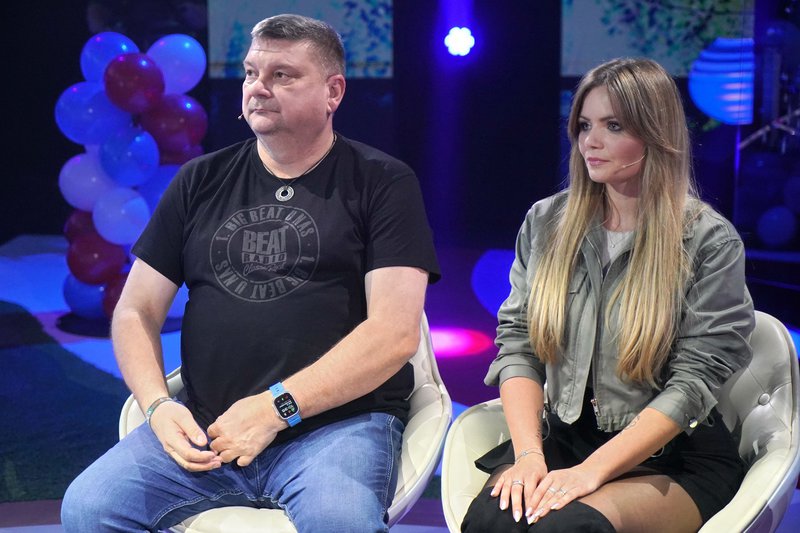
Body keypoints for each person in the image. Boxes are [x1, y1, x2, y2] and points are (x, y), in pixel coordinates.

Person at [61, 13, 440, 533]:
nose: (258, 88)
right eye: (250, 73)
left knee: (340, 521)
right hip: (208, 427)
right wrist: (157, 406)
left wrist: (274, 409)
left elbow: (394, 334)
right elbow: (135, 310)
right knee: (89, 509)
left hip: (337, 426)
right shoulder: (200, 179)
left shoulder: (382, 182)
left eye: (282, 75)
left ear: (333, 92)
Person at [460, 57, 754, 532]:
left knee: (567, 526)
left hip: (671, 456)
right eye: (584, 125)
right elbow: (519, 345)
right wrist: (529, 455)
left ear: (655, 134)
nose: (590, 142)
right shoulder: (546, 222)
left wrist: (591, 472)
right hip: (564, 440)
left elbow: (693, 383)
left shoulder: (708, 240)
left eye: (613, 126)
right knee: (492, 521)